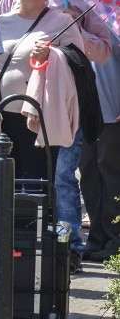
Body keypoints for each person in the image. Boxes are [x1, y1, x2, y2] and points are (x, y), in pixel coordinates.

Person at [0, 0, 110, 273]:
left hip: (50, 116)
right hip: (6, 117)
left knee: (55, 182)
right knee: (12, 184)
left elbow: (90, 61)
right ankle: (13, 250)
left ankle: (65, 248)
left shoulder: (70, 10)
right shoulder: (2, 11)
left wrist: (61, 48)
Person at [0, 0, 84, 177]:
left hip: (37, 120)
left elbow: (81, 67)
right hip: (0, 118)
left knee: (32, 193)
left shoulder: (62, 22)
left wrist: (53, 54)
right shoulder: (0, 22)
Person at [81, 33, 120, 262]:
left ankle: (114, 241)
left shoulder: (113, 17)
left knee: (112, 176)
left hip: (113, 113)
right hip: (90, 112)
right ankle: (96, 239)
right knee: (89, 174)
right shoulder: (85, 15)